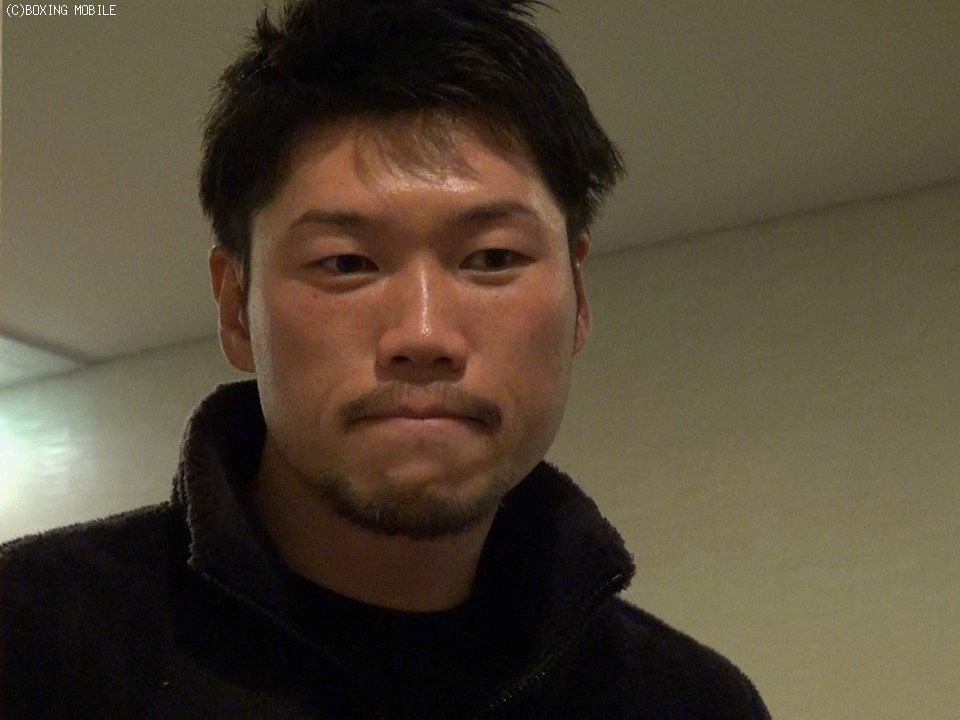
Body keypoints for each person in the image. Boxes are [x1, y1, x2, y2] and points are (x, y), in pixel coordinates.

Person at [0, 1, 770, 717]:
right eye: (346, 263)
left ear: (579, 299)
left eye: (493, 257)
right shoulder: (33, 639)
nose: (424, 334)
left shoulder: (688, 702)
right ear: (236, 307)